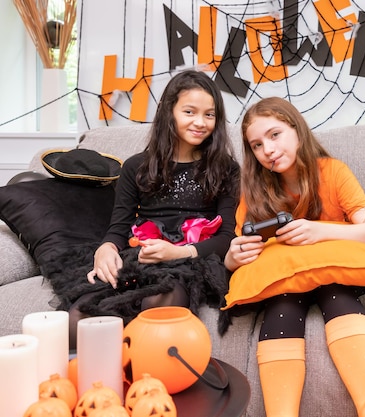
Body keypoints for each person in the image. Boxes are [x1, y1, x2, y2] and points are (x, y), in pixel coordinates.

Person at [47, 70, 240, 348]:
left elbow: (226, 238)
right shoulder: (136, 166)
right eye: (189, 112)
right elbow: (118, 228)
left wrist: (179, 252)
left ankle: (147, 379)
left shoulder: (225, 169)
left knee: (160, 308)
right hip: (143, 254)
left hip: (192, 258)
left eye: (209, 115)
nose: (200, 122)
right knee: (79, 319)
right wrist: (107, 249)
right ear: (169, 112)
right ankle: (109, 382)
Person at [223, 97, 365, 417]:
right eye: (257, 145)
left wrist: (320, 232)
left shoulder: (333, 172)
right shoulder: (254, 189)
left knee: (336, 293)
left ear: (297, 131)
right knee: (282, 303)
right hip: (285, 281)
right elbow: (239, 252)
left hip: (334, 275)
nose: (267, 150)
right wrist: (233, 256)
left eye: (275, 135)